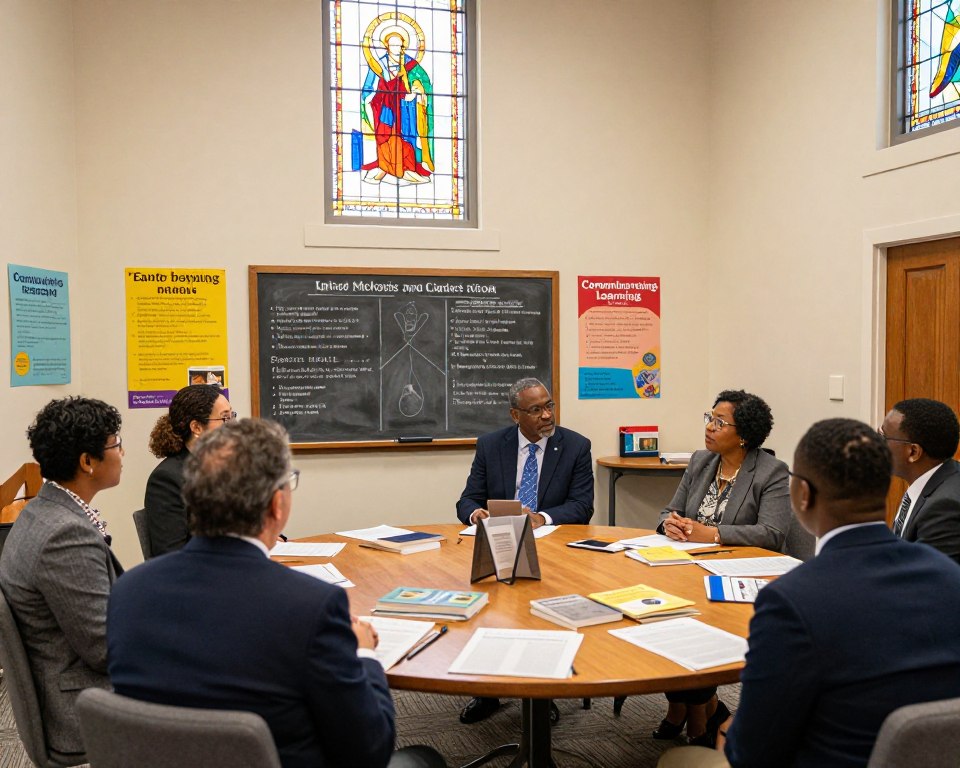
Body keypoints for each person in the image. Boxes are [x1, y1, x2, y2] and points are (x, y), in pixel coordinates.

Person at [108, 419, 445, 768]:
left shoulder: (128, 591)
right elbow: (370, 749)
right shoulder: (311, 607)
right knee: (425, 759)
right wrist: (363, 653)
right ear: (276, 506)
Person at [659, 419, 960, 768]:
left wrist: (730, 732)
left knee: (679, 759)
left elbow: (751, 751)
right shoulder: (948, 575)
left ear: (802, 495)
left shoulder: (792, 599)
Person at [654, 390, 790, 745]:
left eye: (719, 422)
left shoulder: (771, 472)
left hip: (740, 575)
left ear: (743, 434)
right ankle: (700, 708)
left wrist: (712, 534)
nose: (709, 428)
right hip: (685, 567)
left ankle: (699, 713)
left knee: (701, 627)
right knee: (664, 619)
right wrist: (669, 524)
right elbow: (670, 510)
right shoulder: (701, 461)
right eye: (709, 419)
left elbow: (773, 534)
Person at [456, 377, 594, 724]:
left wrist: (542, 518)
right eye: (536, 410)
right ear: (515, 415)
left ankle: (542, 694)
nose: (547, 415)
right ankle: (487, 691)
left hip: (554, 548)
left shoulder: (576, 446)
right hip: (501, 542)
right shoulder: (491, 446)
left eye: (549, 406)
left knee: (543, 615)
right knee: (489, 610)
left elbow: (582, 505)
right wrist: (476, 513)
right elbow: (467, 498)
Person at [0, 397, 124, 759]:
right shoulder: (64, 534)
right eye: (116, 445)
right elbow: (105, 649)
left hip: (69, 686)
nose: (122, 453)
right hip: (82, 708)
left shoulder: (40, 510)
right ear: (88, 462)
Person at [144, 384, 233, 555]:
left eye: (231, 416)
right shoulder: (167, 479)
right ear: (197, 428)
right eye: (225, 418)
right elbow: (170, 553)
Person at [880, 397, 960, 564]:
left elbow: (924, 583)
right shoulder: (935, 481)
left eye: (883, 437)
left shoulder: (944, 508)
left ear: (913, 452)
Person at [361, 25, 433, 185]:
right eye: (393, 44)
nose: (397, 48)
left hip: (407, 111)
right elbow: (368, 89)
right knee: (387, 139)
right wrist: (375, 96)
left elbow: (423, 82)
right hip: (385, 110)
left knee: (407, 140)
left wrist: (418, 91)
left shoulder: (411, 64)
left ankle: (407, 169)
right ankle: (385, 168)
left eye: (400, 45)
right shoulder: (378, 65)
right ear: (386, 45)